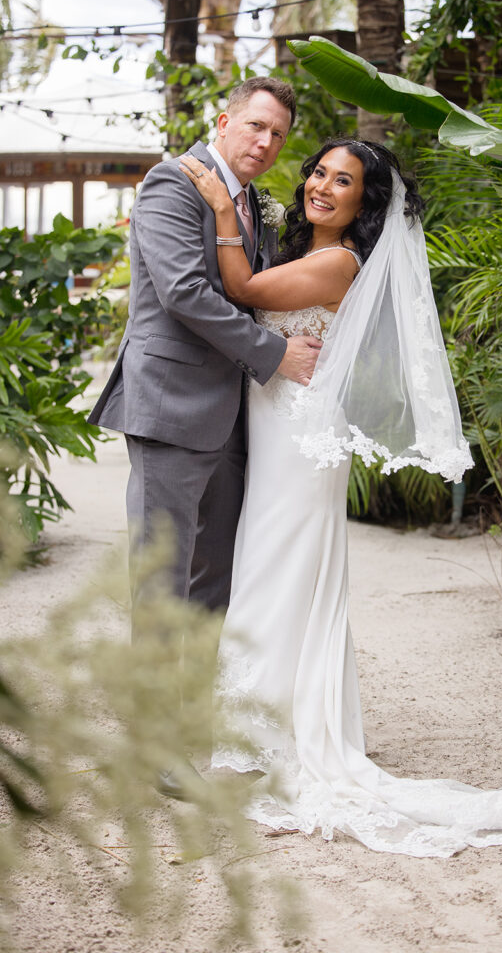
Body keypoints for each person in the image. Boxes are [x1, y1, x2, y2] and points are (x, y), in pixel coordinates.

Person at [179, 137, 502, 858]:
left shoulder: (341, 262)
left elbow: (245, 293)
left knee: (277, 575)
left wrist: (219, 205)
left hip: (299, 439)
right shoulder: (300, 248)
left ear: (363, 202)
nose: (321, 186)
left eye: (341, 181)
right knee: (268, 570)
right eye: (317, 171)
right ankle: (261, 726)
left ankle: (259, 741)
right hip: (279, 430)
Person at [88, 78, 321, 799]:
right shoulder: (171, 184)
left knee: (212, 580)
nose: (264, 143)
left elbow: (253, 283)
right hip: (171, 407)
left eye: (277, 135)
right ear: (223, 121)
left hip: (232, 417)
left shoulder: (252, 205)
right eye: (254, 126)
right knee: (162, 578)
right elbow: (185, 292)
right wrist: (274, 352)